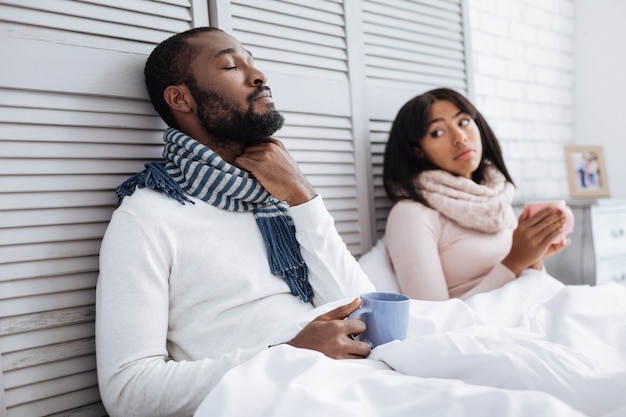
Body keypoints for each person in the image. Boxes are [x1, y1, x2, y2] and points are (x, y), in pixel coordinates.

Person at [95, 26, 375, 417]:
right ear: (181, 98)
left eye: (252, 61)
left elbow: (364, 313)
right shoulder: (148, 217)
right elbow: (128, 392)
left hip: (362, 385)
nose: (259, 75)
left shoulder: (279, 197)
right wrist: (286, 355)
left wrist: (302, 197)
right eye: (230, 65)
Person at [382, 88, 570, 301]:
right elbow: (431, 318)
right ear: (418, 151)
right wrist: (516, 261)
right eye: (437, 132)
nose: (460, 137)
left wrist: (533, 259)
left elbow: (526, 289)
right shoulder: (411, 214)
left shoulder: (494, 197)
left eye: (463, 122)